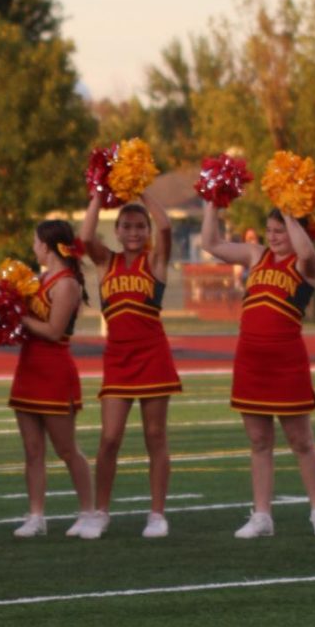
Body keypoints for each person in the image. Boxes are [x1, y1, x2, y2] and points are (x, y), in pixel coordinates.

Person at [201, 202, 315, 538]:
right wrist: (211, 204)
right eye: (270, 230)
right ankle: (262, 516)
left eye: (281, 231)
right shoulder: (255, 255)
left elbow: (306, 251)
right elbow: (211, 244)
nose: (273, 237)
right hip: (250, 359)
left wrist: (291, 209)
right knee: (259, 440)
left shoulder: (308, 264)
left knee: (301, 440)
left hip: (287, 360)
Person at [78, 191, 181, 538]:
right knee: (109, 438)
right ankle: (100, 512)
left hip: (153, 355)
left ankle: (156, 514)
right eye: (127, 226)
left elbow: (165, 225)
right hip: (118, 358)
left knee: (155, 435)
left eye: (140, 226)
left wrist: (141, 190)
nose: (134, 232)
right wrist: (97, 195)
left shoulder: (155, 261)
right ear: (117, 231)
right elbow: (85, 238)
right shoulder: (107, 262)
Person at [9, 220, 95, 538]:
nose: (33, 248)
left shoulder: (66, 283)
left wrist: (19, 317)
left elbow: (53, 331)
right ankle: (36, 516)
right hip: (28, 369)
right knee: (32, 450)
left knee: (66, 449)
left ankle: (88, 512)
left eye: (35, 243)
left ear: (47, 245)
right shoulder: (40, 279)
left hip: (54, 371)